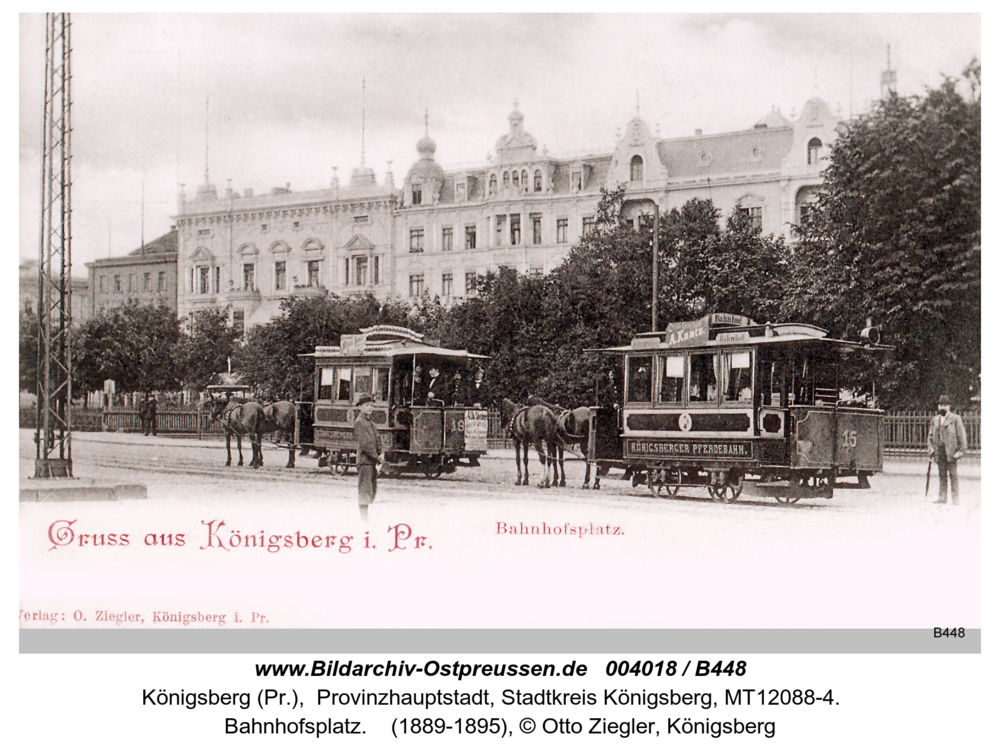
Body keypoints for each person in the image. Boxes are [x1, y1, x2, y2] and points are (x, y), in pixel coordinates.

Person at [927, 394, 967, 505]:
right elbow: (930, 437)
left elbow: (962, 436)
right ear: (938, 407)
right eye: (940, 405)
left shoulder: (955, 419)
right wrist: (930, 449)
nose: (942, 408)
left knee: (953, 476)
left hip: (951, 452)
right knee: (942, 475)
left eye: (945, 405)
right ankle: (942, 497)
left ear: (949, 407)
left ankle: (955, 499)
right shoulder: (935, 420)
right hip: (939, 452)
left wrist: (961, 451)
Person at [352, 395, 384, 521]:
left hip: (371, 462)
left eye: (371, 405)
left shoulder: (370, 422)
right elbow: (366, 444)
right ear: (360, 407)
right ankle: (364, 519)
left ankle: (365, 517)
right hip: (365, 462)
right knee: (365, 489)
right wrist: (377, 457)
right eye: (366, 405)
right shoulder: (359, 422)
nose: (370, 408)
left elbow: (378, 439)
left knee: (371, 488)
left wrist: (381, 453)